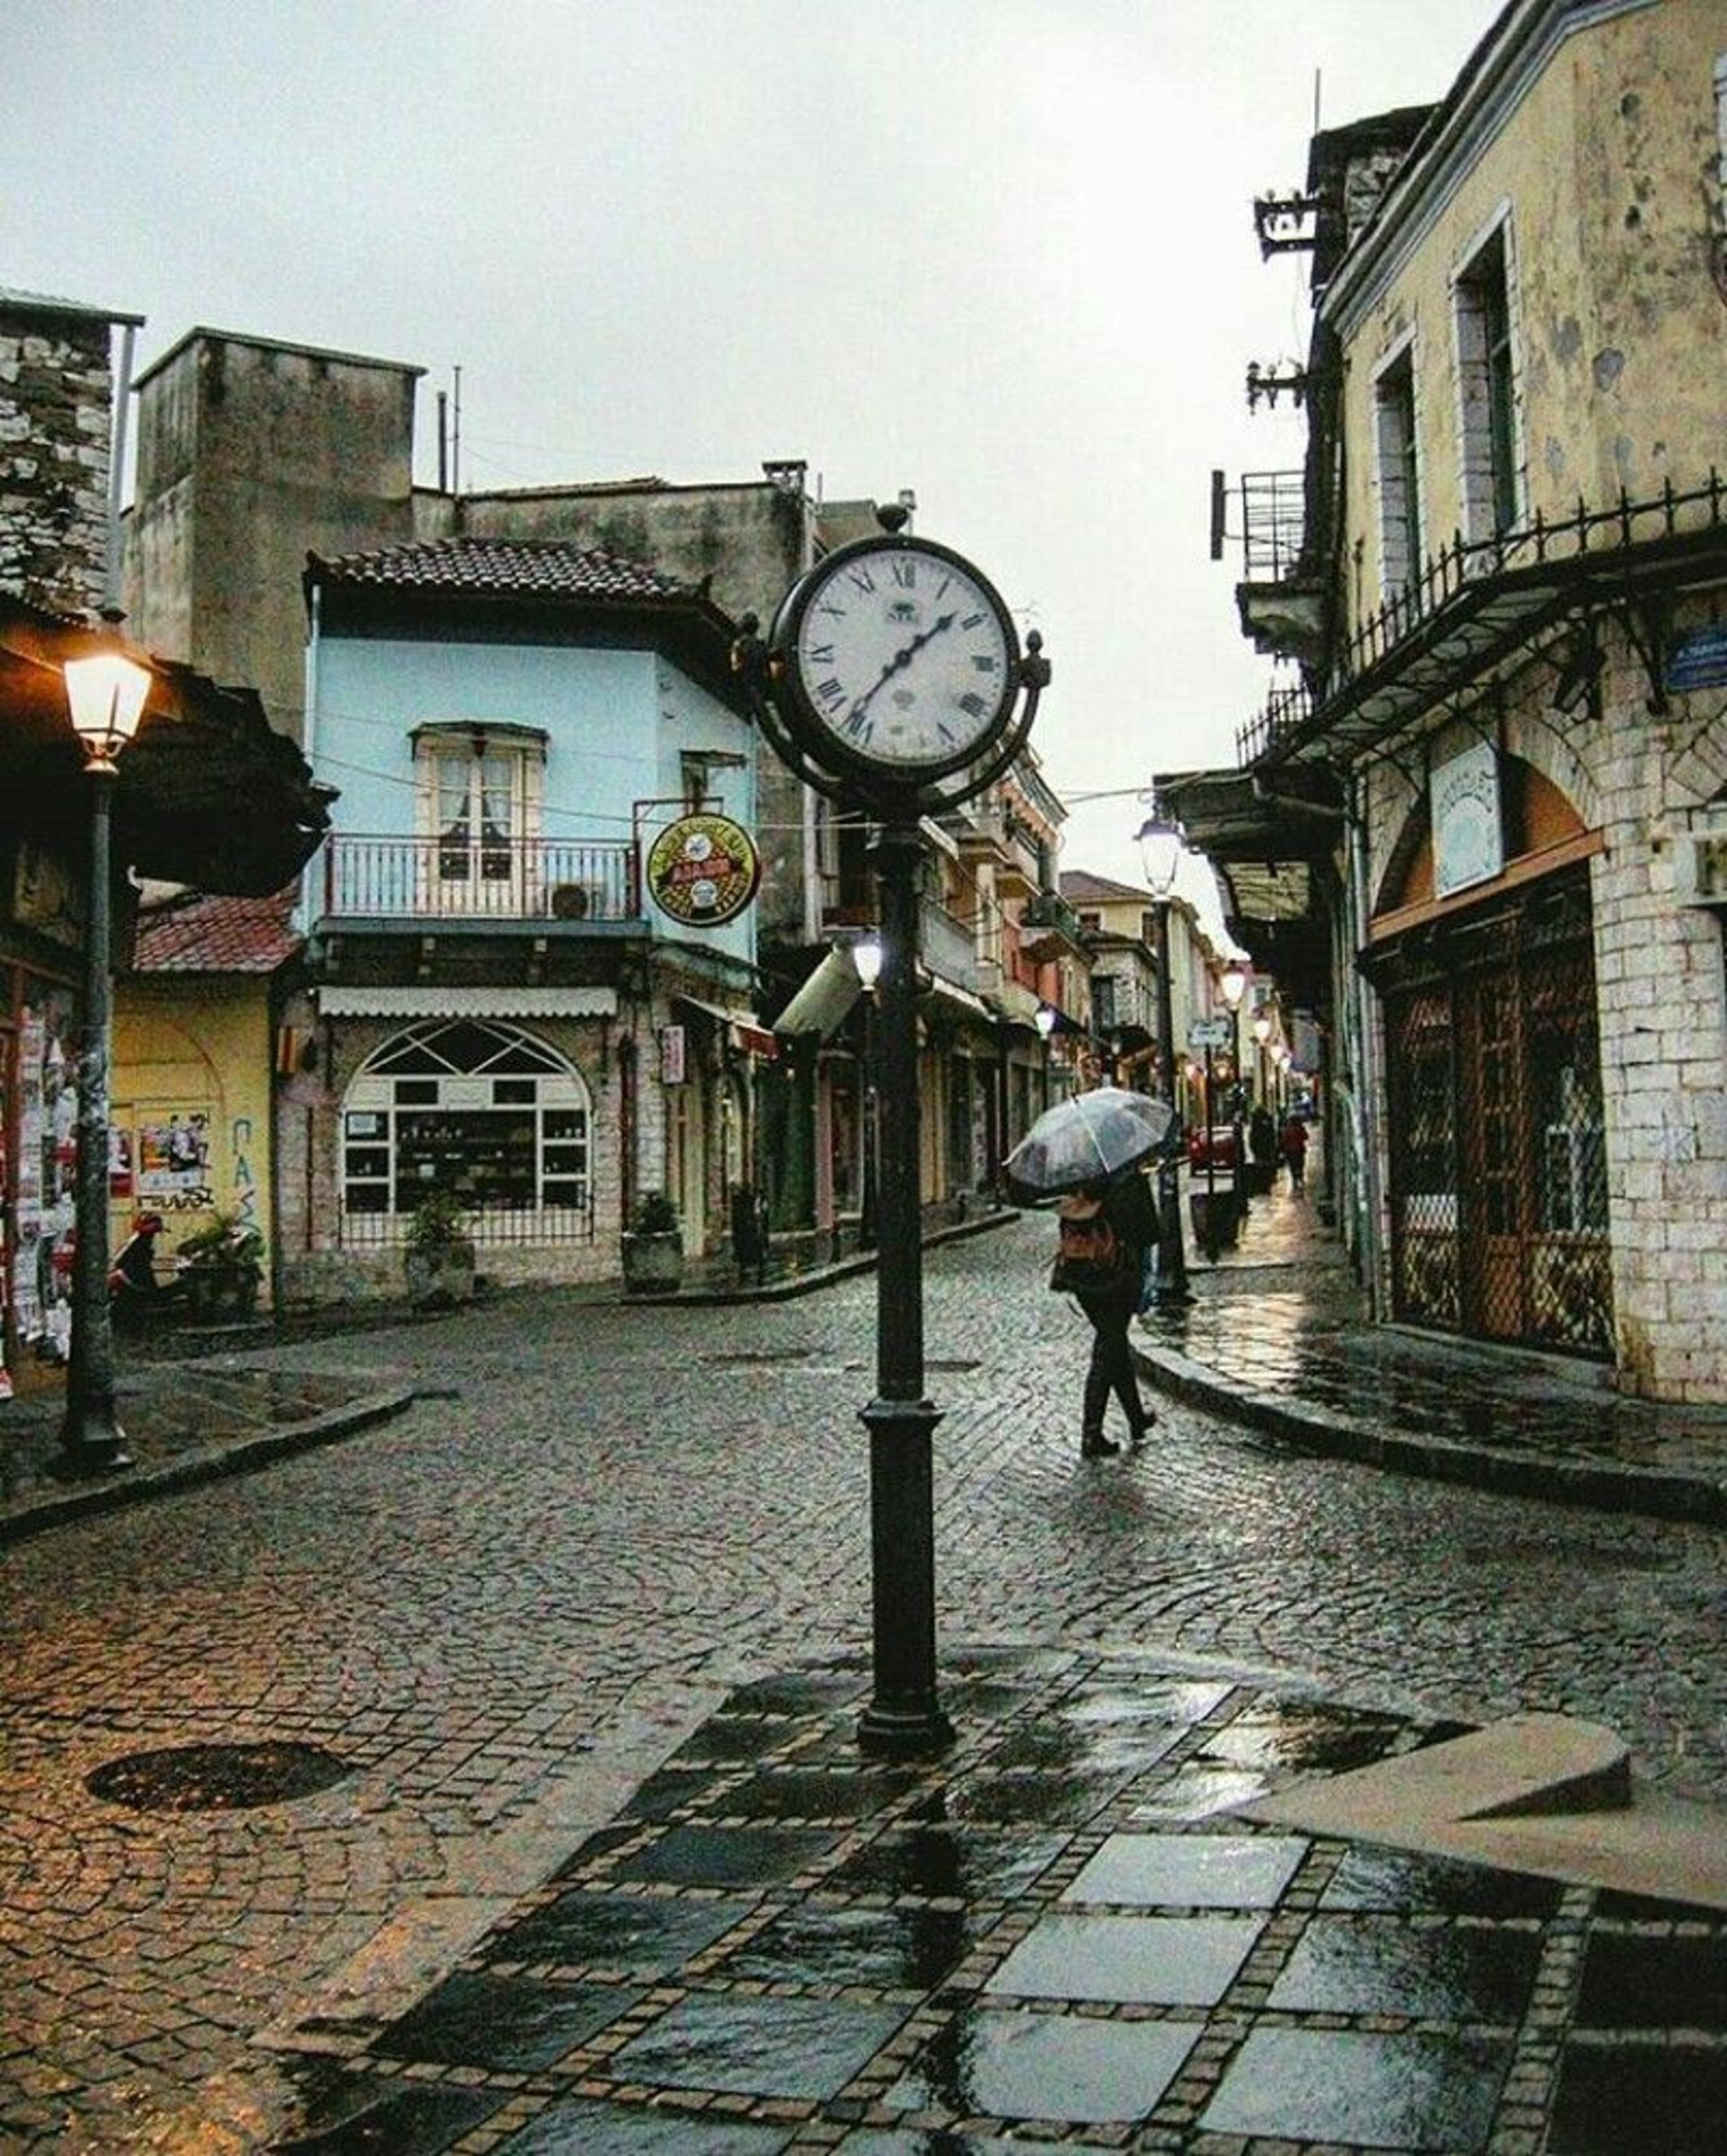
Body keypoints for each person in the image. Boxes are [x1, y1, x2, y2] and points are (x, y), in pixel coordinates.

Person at [1051, 1168, 1158, 1458]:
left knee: (1114, 1344)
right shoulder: (1129, 1178)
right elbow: (1149, 1230)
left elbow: (1066, 1221)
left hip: (1081, 1275)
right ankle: (1091, 1432)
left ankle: (1136, 1419)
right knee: (1108, 1347)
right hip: (1117, 1275)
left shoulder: (1078, 1177)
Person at [1281, 1111, 1309, 1193]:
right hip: (1299, 1150)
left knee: (1293, 1166)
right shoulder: (1300, 1128)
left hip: (1290, 1151)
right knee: (1300, 1165)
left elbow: (1283, 1140)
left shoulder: (1287, 1129)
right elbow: (1306, 1137)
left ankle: (1295, 1181)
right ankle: (1300, 1179)